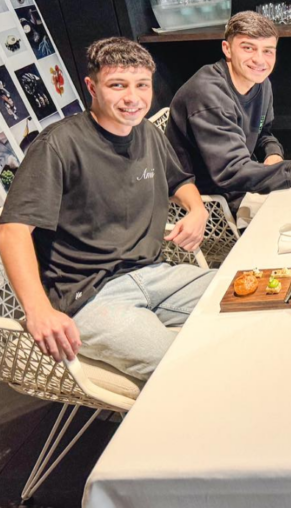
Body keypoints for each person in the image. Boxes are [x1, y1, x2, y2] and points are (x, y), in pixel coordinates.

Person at [0, 38, 216, 381]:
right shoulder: (57, 145)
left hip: (157, 273)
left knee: (251, 306)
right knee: (179, 372)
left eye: (141, 85)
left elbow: (179, 182)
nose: (133, 98)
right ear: (92, 87)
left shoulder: (147, 133)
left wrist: (197, 209)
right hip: (90, 296)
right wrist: (38, 309)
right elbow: (13, 231)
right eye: (118, 85)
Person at [165, 11, 291, 226]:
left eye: (268, 51)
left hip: (245, 188)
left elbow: (263, 133)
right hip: (213, 206)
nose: (259, 60)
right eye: (248, 48)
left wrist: (272, 154)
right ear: (227, 49)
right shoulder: (208, 94)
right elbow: (232, 172)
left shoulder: (260, 82)